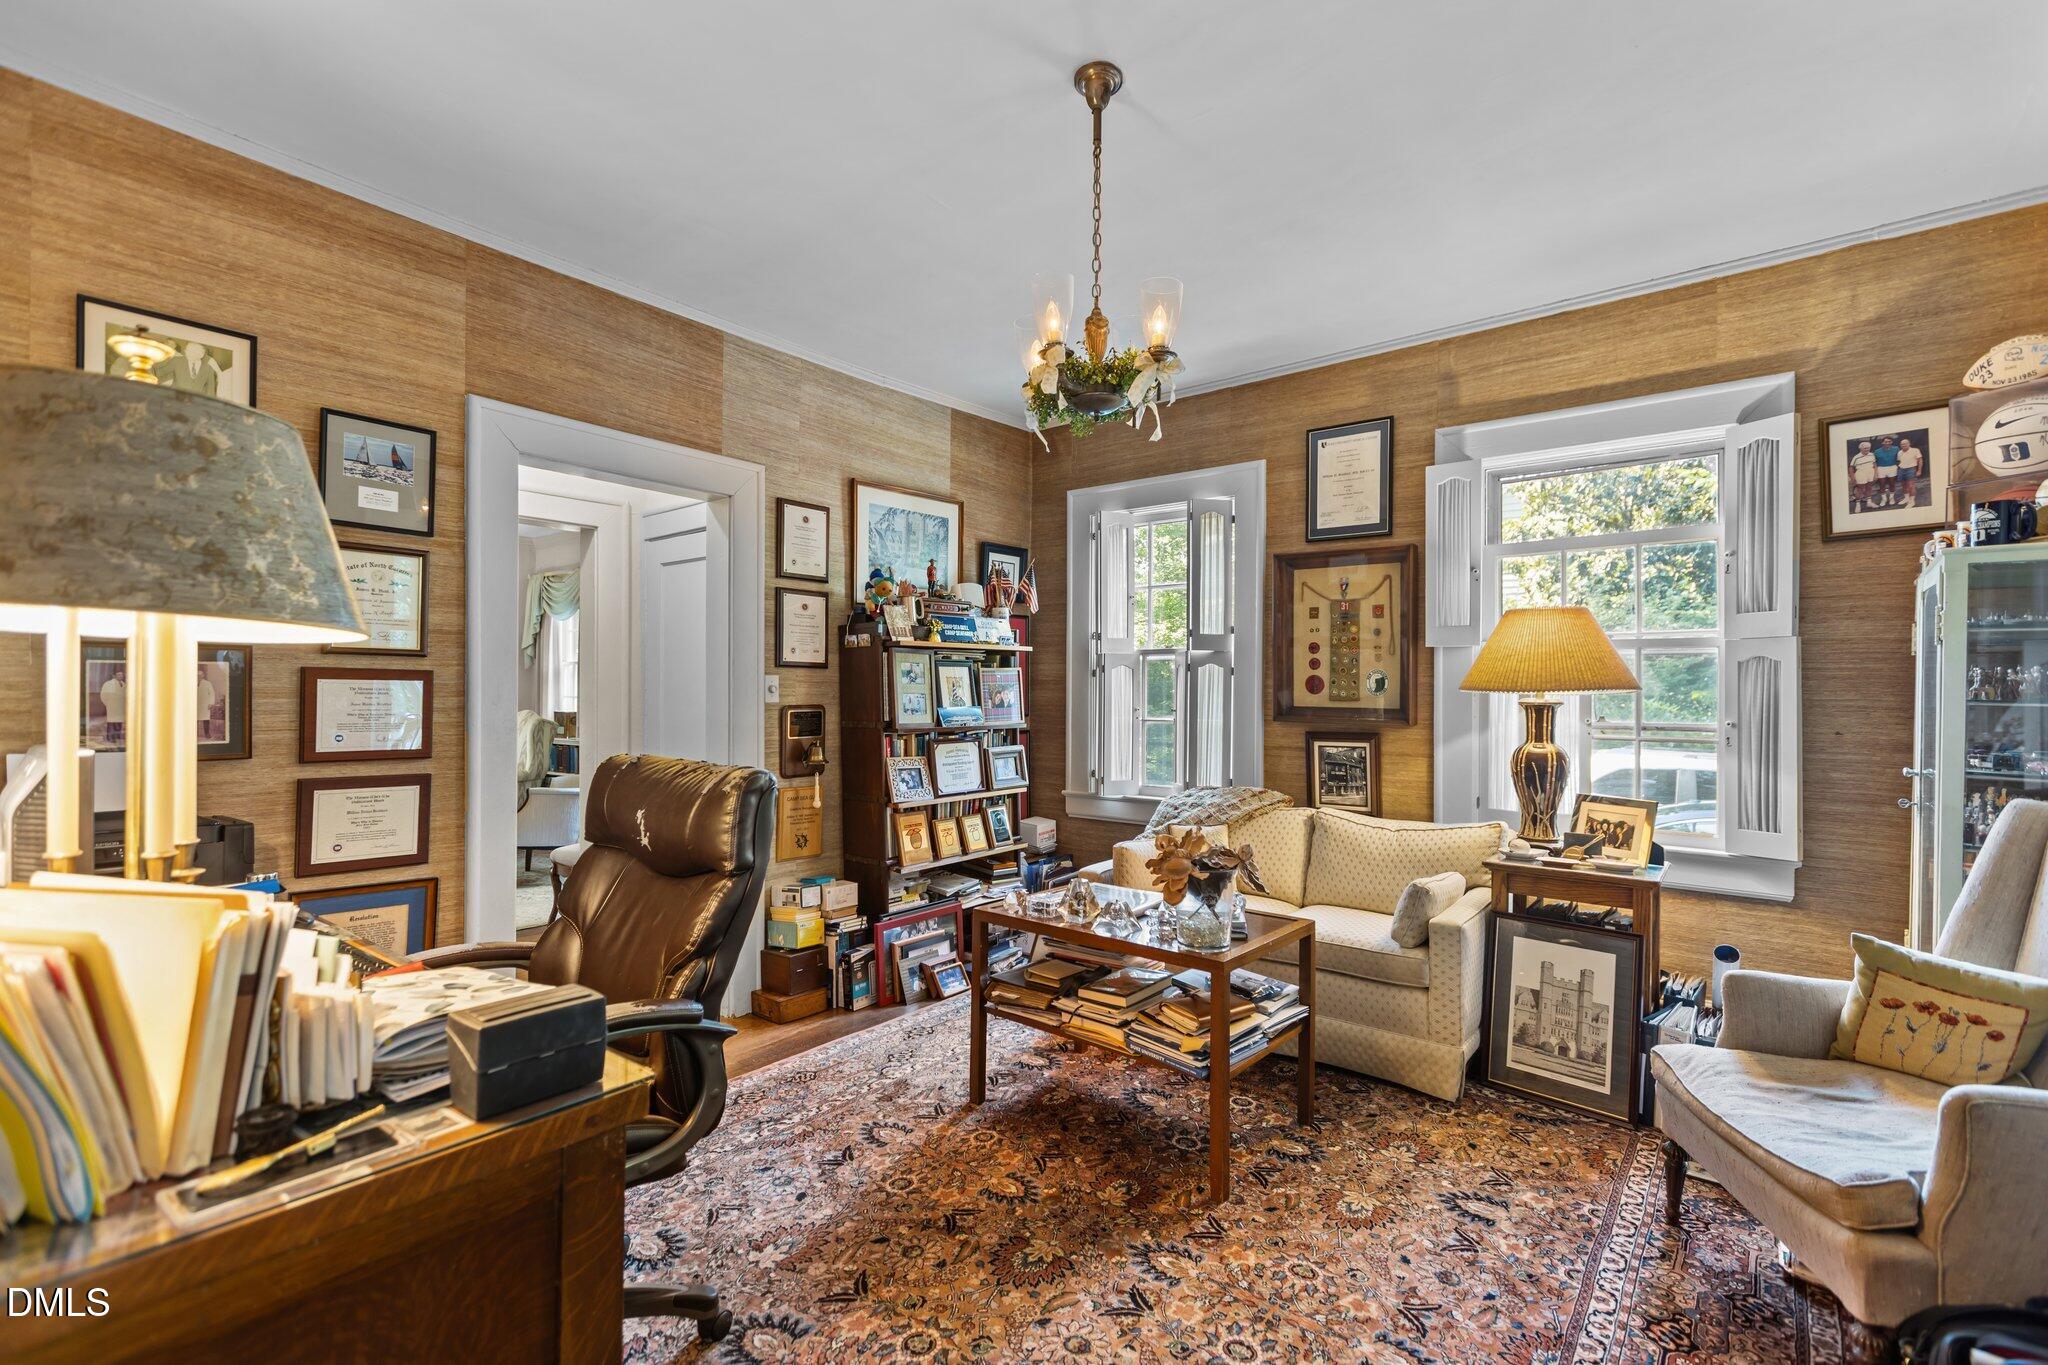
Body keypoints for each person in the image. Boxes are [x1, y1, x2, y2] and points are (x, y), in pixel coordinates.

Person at [1849, 440, 1878, 512]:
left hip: (1870, 472)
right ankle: (1858, 505)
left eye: (1868, 448)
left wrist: (1876, 474)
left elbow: (1874, 465)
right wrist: (1852, 478)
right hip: (1861, 473)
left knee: (1869, 488)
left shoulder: (1872, 454)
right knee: (1860, 489)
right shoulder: (1856, 457)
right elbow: (1851, 467)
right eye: (1865, 448)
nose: (1867, 449)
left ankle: (1869, 503)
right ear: (1860, 449)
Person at [1873, 435, 1901, 508]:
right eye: (1886, 442)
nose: (1888, 443)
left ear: (1891, 442)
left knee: (1892, 484)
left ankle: (1891, 499)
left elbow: (1899, 458)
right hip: (1881, 468)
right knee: (1882, 484)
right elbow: (1874, 462)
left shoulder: (1896, 448)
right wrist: (1875, 471)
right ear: (1883, 442)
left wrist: (1898, 467)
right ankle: (1884, 499)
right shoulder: (1877, 451)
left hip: (1892, 467)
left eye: (1889, 441)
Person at [1897, 436, 1923, 507]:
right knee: (1903, 485)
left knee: (1911, 486)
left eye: (1905, 444)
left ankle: (1912, 501)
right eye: (1902, 444)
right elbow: (1899, 461)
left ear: (1909, 444)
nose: (1903, 445)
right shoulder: (1899, 452)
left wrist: (1919, 470)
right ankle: (1906, 498)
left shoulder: (1915, 450)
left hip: (1911, 469)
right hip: (1901, 469)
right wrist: (1899, 469)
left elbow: (1920, 460)